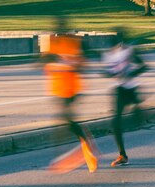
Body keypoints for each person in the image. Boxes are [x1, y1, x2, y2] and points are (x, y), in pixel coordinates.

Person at [43, 17, 98, 173]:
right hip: (57, 88)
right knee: (63, 120)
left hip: (72, 88)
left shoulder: (75, 42)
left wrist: (70, 64)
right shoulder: (52, 44)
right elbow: (42, 62)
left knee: (65, 118)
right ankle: (79, 146)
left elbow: (83, 64)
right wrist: (59, 64)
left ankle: (84, 144)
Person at [102, 28, 148, 167]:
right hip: (120, 89)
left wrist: (130, 74)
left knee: (134, 121)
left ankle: (138, 109)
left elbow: (144, 66)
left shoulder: (129, 51)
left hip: (131, 89)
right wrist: (108, 73)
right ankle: (122, 155)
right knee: (116, 124)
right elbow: (110, 71)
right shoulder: (108, 55)